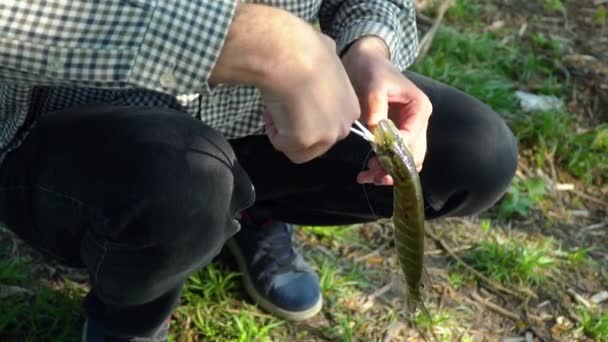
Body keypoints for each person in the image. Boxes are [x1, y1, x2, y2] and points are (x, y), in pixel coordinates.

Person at [0, 0, 517, 340]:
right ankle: (131, 310)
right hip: (65, 123)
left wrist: (369, 46)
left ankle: (252, 212)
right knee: (180, 184)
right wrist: (250, 42)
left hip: (258, 112)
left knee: (473, 153)